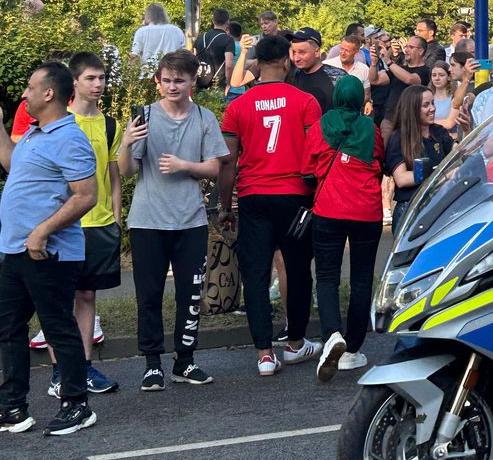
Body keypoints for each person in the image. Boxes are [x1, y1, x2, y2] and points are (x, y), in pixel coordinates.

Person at [0, 64, 99, 436]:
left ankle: (77, 405)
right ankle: (13, 407)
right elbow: (13, 164)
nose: (24, 94)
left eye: (30, 87)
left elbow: (86, 196)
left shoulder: (70, 138)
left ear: (48, 93)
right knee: (9, 327)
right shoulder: (34, 133)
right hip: (16, 251)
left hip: (49, 253)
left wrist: (42, 231)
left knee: (58, 327)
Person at [119, 51, 227, 391]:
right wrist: (126, 144)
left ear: (192, 81)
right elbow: (126, 170)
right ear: (158, 81)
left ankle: (185, 361)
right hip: (147, 220)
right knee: (148, 295)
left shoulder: (204, 117)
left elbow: (214, 167)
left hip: (190, 220)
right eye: (166, 80)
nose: (172, 86)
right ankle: (152, 365)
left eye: (179, 80)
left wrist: (184, 166)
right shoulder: (145, 116)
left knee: (190, 295)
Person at [218, 34, 322, 376]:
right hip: (295, 196)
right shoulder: (306, 101)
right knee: (297, 269)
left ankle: (264, 353)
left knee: (256, 273)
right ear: (286, 62)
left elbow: (228, 162)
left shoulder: (237, 106)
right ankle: (295, 343)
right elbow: (315, 153)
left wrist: (225, 206)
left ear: (256, 65)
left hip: (253, 196)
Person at [39, 54, 124, 396]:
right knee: (59, 301)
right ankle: (60, 373)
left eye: (101, 77)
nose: (98, 84)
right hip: (64, 224)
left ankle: (85, 367)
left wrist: (116, 218)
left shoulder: (110, 125)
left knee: (87, 296)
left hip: (100, 225)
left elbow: (114, 176)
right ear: (74, 82)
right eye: (91, 78)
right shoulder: (59, 123)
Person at [303, 76, 386, 380]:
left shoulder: (319, 127)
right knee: (362, 279)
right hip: (367, 211)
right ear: (359, 100)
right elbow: (379, 164)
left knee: (327, 276)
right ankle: (352, 348)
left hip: (329, 209)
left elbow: (307, 172)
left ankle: (332, 335)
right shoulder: (371, 129)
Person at [386, 84, 455, 221]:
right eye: (426, 105)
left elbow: (456, 155)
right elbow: (401, 179)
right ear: (412, 109)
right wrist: (440, 175)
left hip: (438, 205)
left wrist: (466, 130)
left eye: (433, 103)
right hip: (411, 209)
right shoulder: (399, 138)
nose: (432, 108)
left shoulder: (438, 131)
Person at [380, 36, 432, 142]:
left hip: (411, 121)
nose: (406, 50)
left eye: (410, 47)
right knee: (385, 150)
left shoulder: (426, 71)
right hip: (390, 119)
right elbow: (375, 80)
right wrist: (373, 63)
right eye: (406, 47)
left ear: (421, 51)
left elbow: (409, 79)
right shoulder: (399, 69)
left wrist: (389, 62)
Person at [285, 27, 344, 113]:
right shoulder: (291, 77)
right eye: (294, 52)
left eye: (302, 52)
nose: (296, 58)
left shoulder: (337, 77)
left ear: (316, 52)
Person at [130, 2, 185, 73]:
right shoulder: (177, 30)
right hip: (172, 72)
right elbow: (184, 54)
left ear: (148, 15)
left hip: (148, 73)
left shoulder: (141, 32)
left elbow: (134, 55)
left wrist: (131, 73)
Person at [194, 8, 235, 90]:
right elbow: (228, 65)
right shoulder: (228, 40)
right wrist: (228, 83)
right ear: (227, 22)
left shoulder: (201, 36)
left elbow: (193, 58)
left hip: (199, 81)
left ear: (213, 21)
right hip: (217, 84)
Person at [328, 33, 372, 107]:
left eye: (347, 50)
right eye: (341, 49)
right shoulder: (328, 66)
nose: (343, 53)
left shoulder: (364, 69)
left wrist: (352, 105)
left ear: (356, 52)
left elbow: (366, 94)